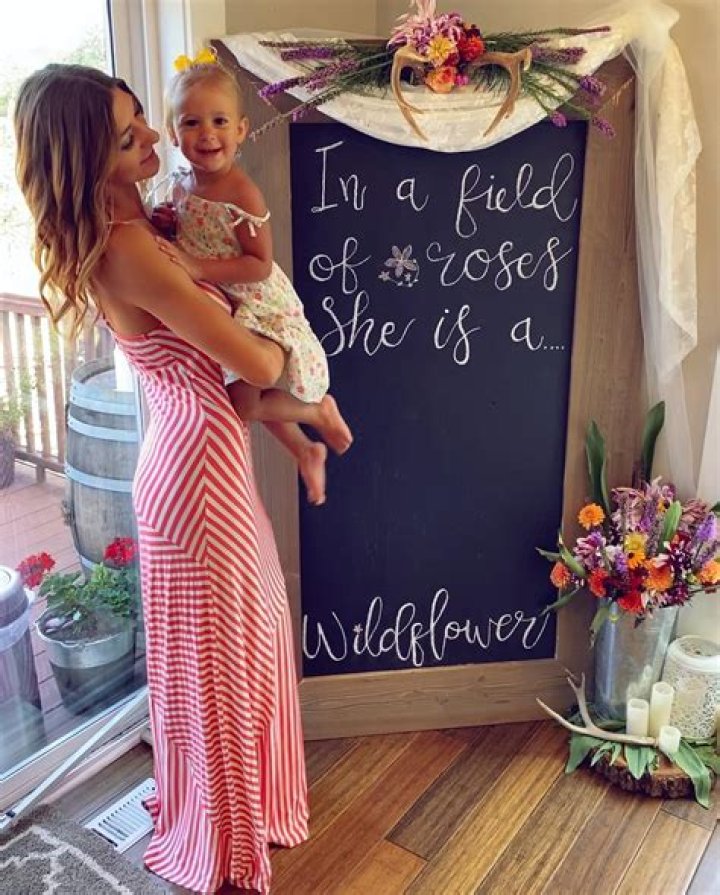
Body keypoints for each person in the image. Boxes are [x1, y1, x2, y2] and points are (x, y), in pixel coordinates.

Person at [14, 64, 309, 893]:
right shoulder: (131, 247)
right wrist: (289, 338)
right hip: (198, 472)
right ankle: (224, 836)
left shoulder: (138, 224)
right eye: (126, 136)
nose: (153, 136)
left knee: (233, 642)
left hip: (195, 456)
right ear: (85, 163)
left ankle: (236, 809)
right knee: (224, 656)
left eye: (143, 117)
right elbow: (257, 363)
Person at [152, 52, 352, 506]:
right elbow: (195, 232)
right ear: (173, 133)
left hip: (257, 301)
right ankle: (305, 449)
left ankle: (317, 410)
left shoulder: (241, 192)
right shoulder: (182, 184)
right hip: (224, 301)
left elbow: (259, 263)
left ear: (241, 130)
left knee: (244, 403)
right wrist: (170, 223)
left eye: (220, 121)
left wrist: (197, 268)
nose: (207, 134)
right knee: (244, 399)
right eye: (191, 123)